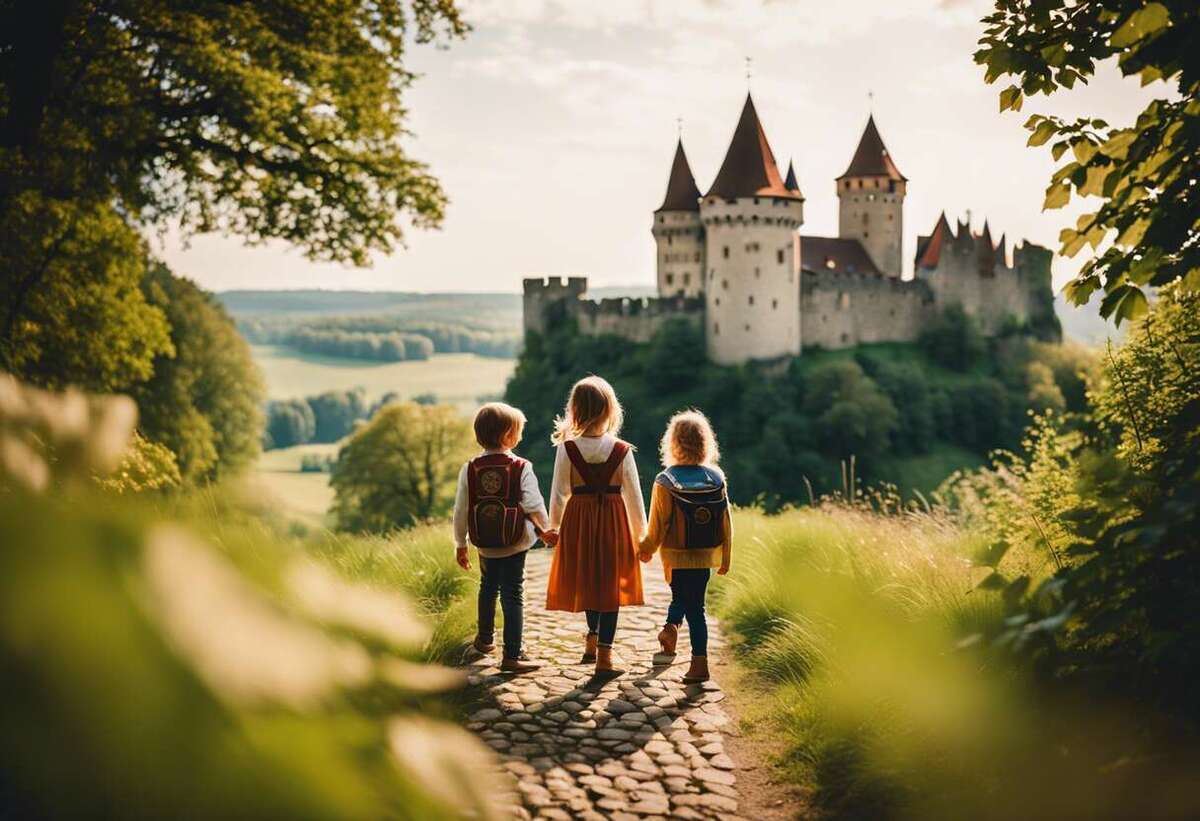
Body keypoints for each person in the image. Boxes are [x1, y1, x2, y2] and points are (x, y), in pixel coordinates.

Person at [545, 376, 646, 675]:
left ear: (574, 410)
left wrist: (555, 527)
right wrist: (642, 536)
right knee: (610, 585)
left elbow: (559, 492)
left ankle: (592, 638)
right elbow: (634, 496)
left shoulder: (567, 449)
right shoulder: (622, 449)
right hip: (614, 518)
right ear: (610, 410)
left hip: (578, 518)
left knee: (589, 579)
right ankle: (605, 655)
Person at [453, 401, 554, 673]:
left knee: (488, 587)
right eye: (518, 431)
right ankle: (513, 653)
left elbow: (461, 509)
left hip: (484, 541)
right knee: (513, 593)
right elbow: (532, 503)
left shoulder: (470, 468)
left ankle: (485, 639)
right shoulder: (521, 466)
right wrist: (545, 529)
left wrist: (461, 543)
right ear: (509, 435)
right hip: (514, 540)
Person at [638, 409, 732, 683]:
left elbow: (658, 524)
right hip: (705, 555)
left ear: (672, 443)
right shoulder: (716, 478)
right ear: (705, 442)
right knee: (695, 604)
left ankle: (698, 662)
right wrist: (725, 556)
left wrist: (646, 548)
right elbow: (726, 521)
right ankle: (671, 632)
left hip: (677, 555)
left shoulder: (666, 480)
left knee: (684, 600)